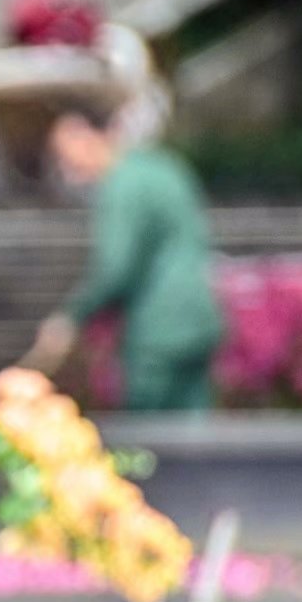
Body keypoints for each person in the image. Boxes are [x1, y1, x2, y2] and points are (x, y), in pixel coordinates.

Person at [20, 98, 224, 411]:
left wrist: (70, 318)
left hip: (157, 332)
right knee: (196, 440)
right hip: (200, 320)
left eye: (64, 156)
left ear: (83, 135)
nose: (66, 169)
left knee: (150, 445)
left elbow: (115, 268)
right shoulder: (164, 165)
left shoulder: (121, 184)